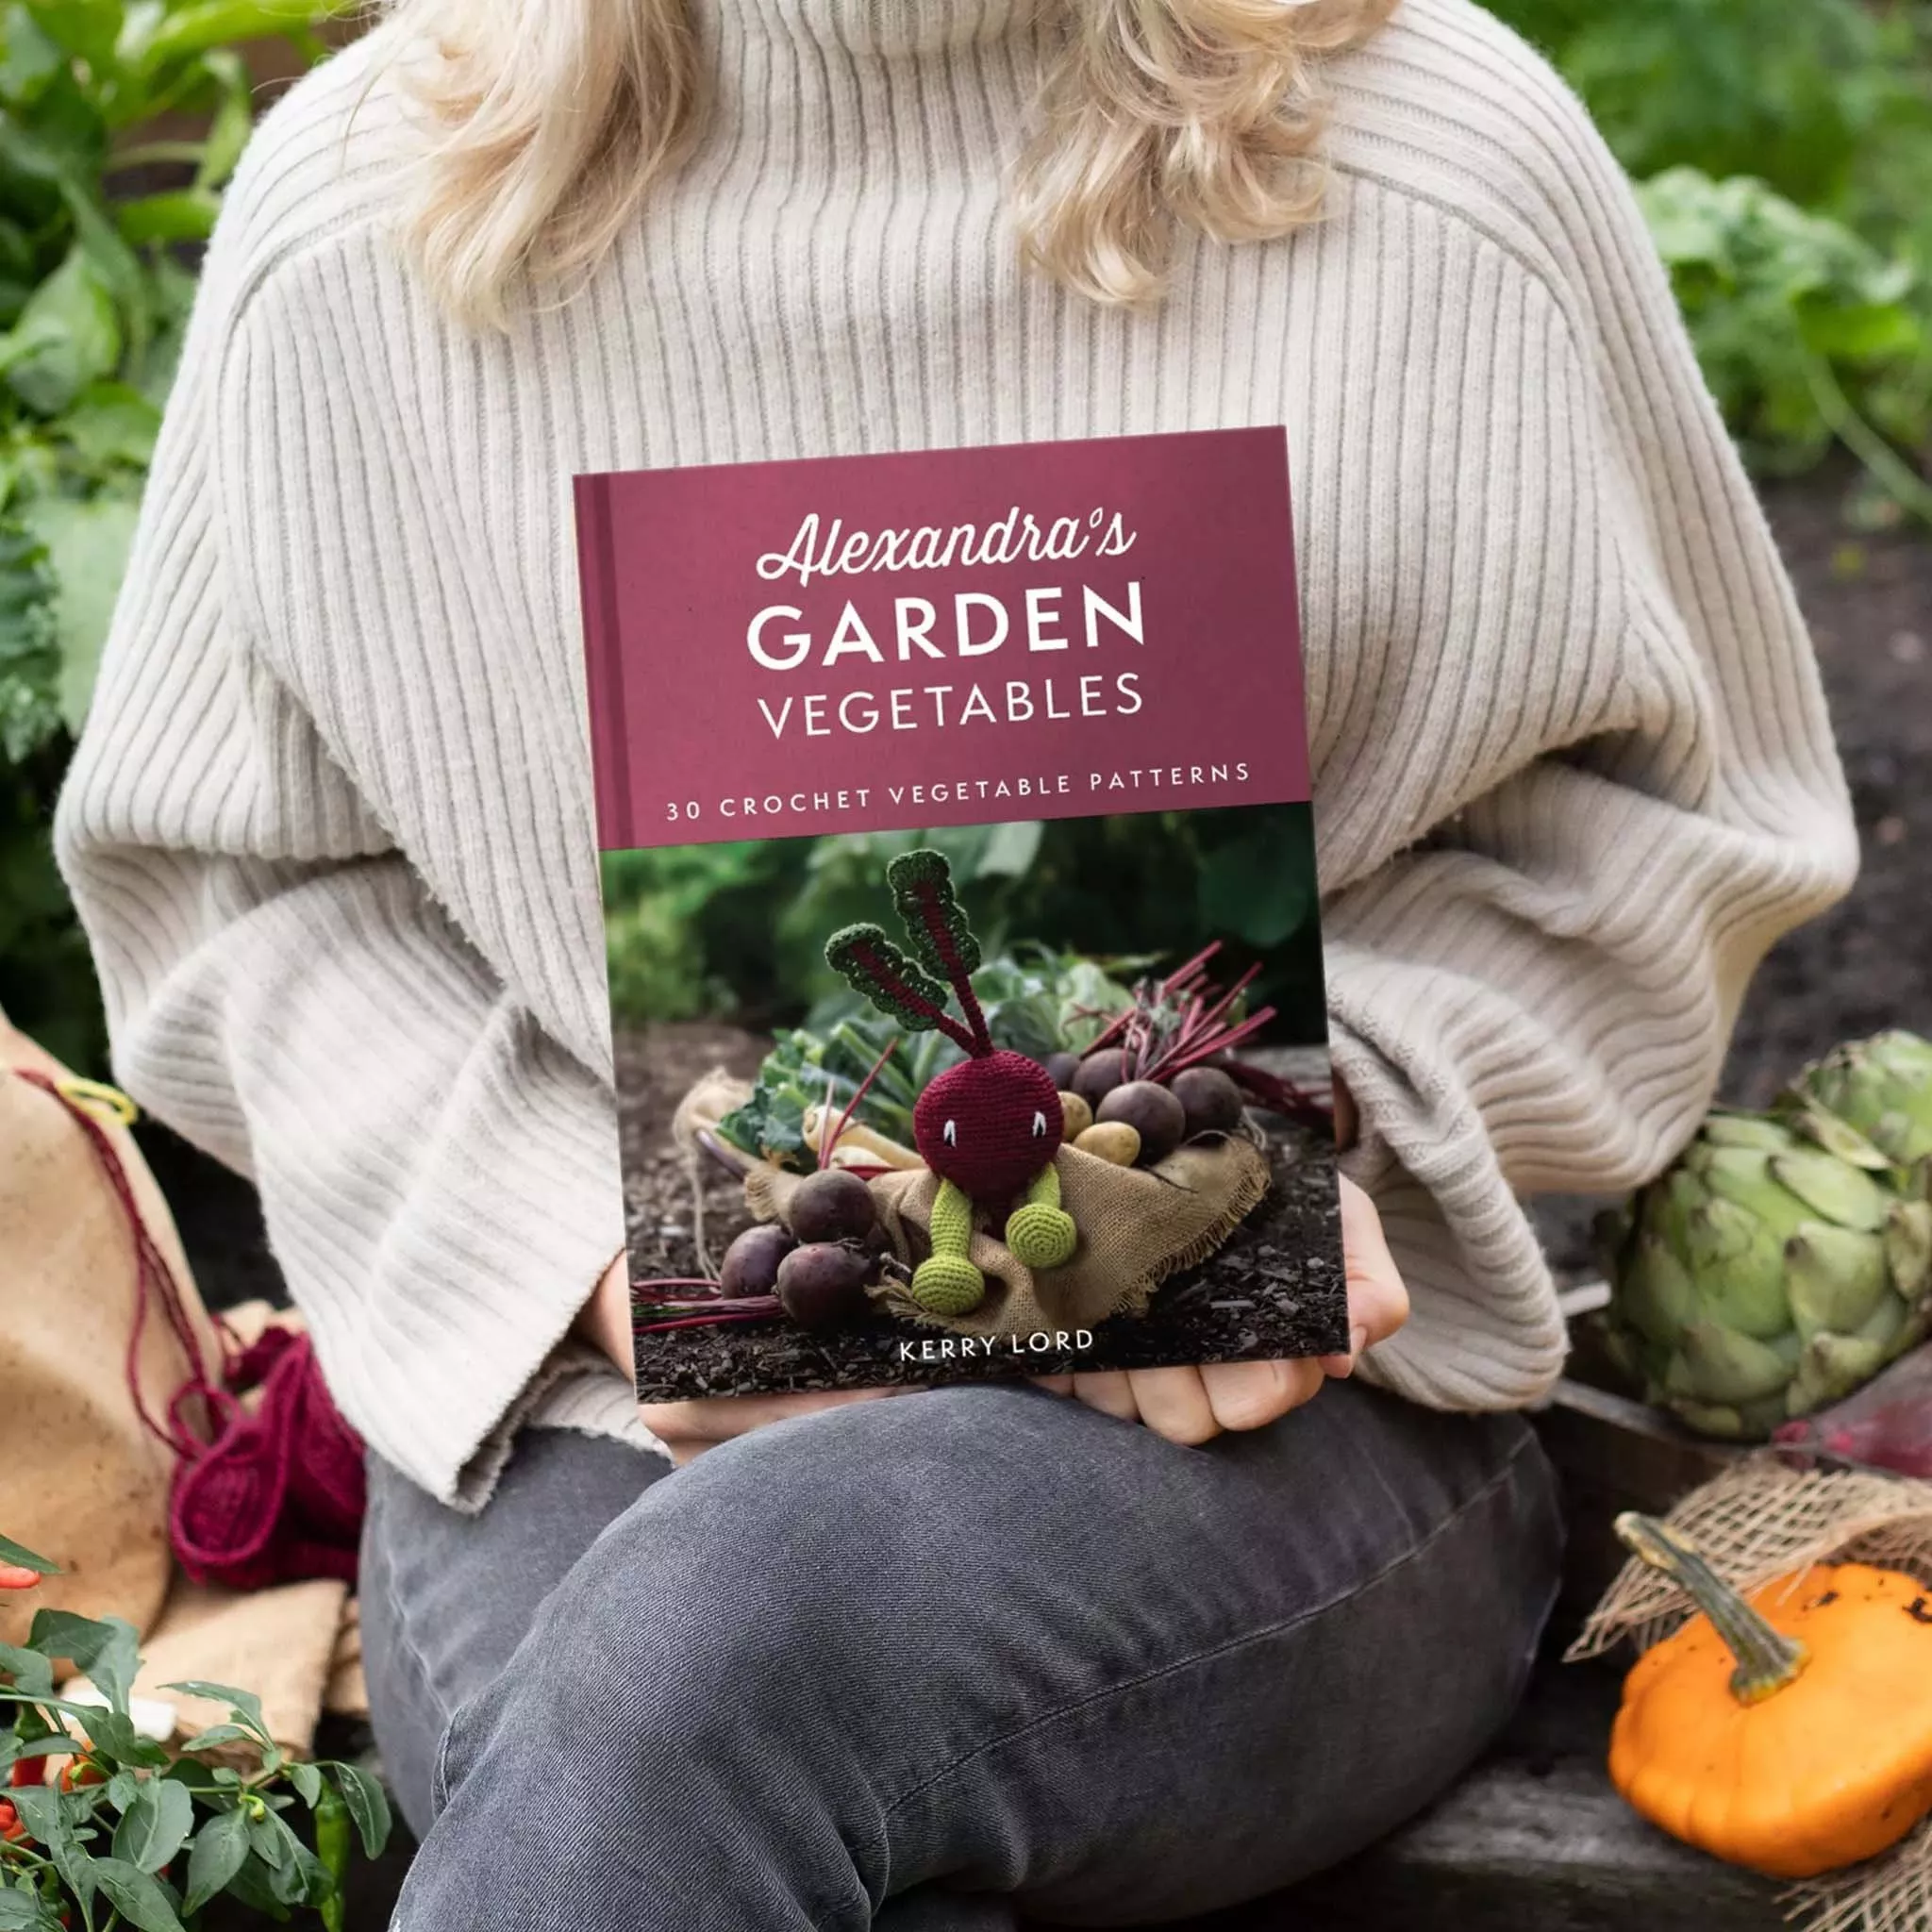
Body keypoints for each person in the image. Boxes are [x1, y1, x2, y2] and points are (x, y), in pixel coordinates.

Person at [58, 0, 1857, 1924]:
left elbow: (1672, 829)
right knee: (724, 1715)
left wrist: (1285, 1158)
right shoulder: (366, 207)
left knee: (723, 1657)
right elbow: (243, 891)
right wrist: (585, 1256)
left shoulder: (1437, 163)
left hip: (1301, 1431)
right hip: (604, 1426)